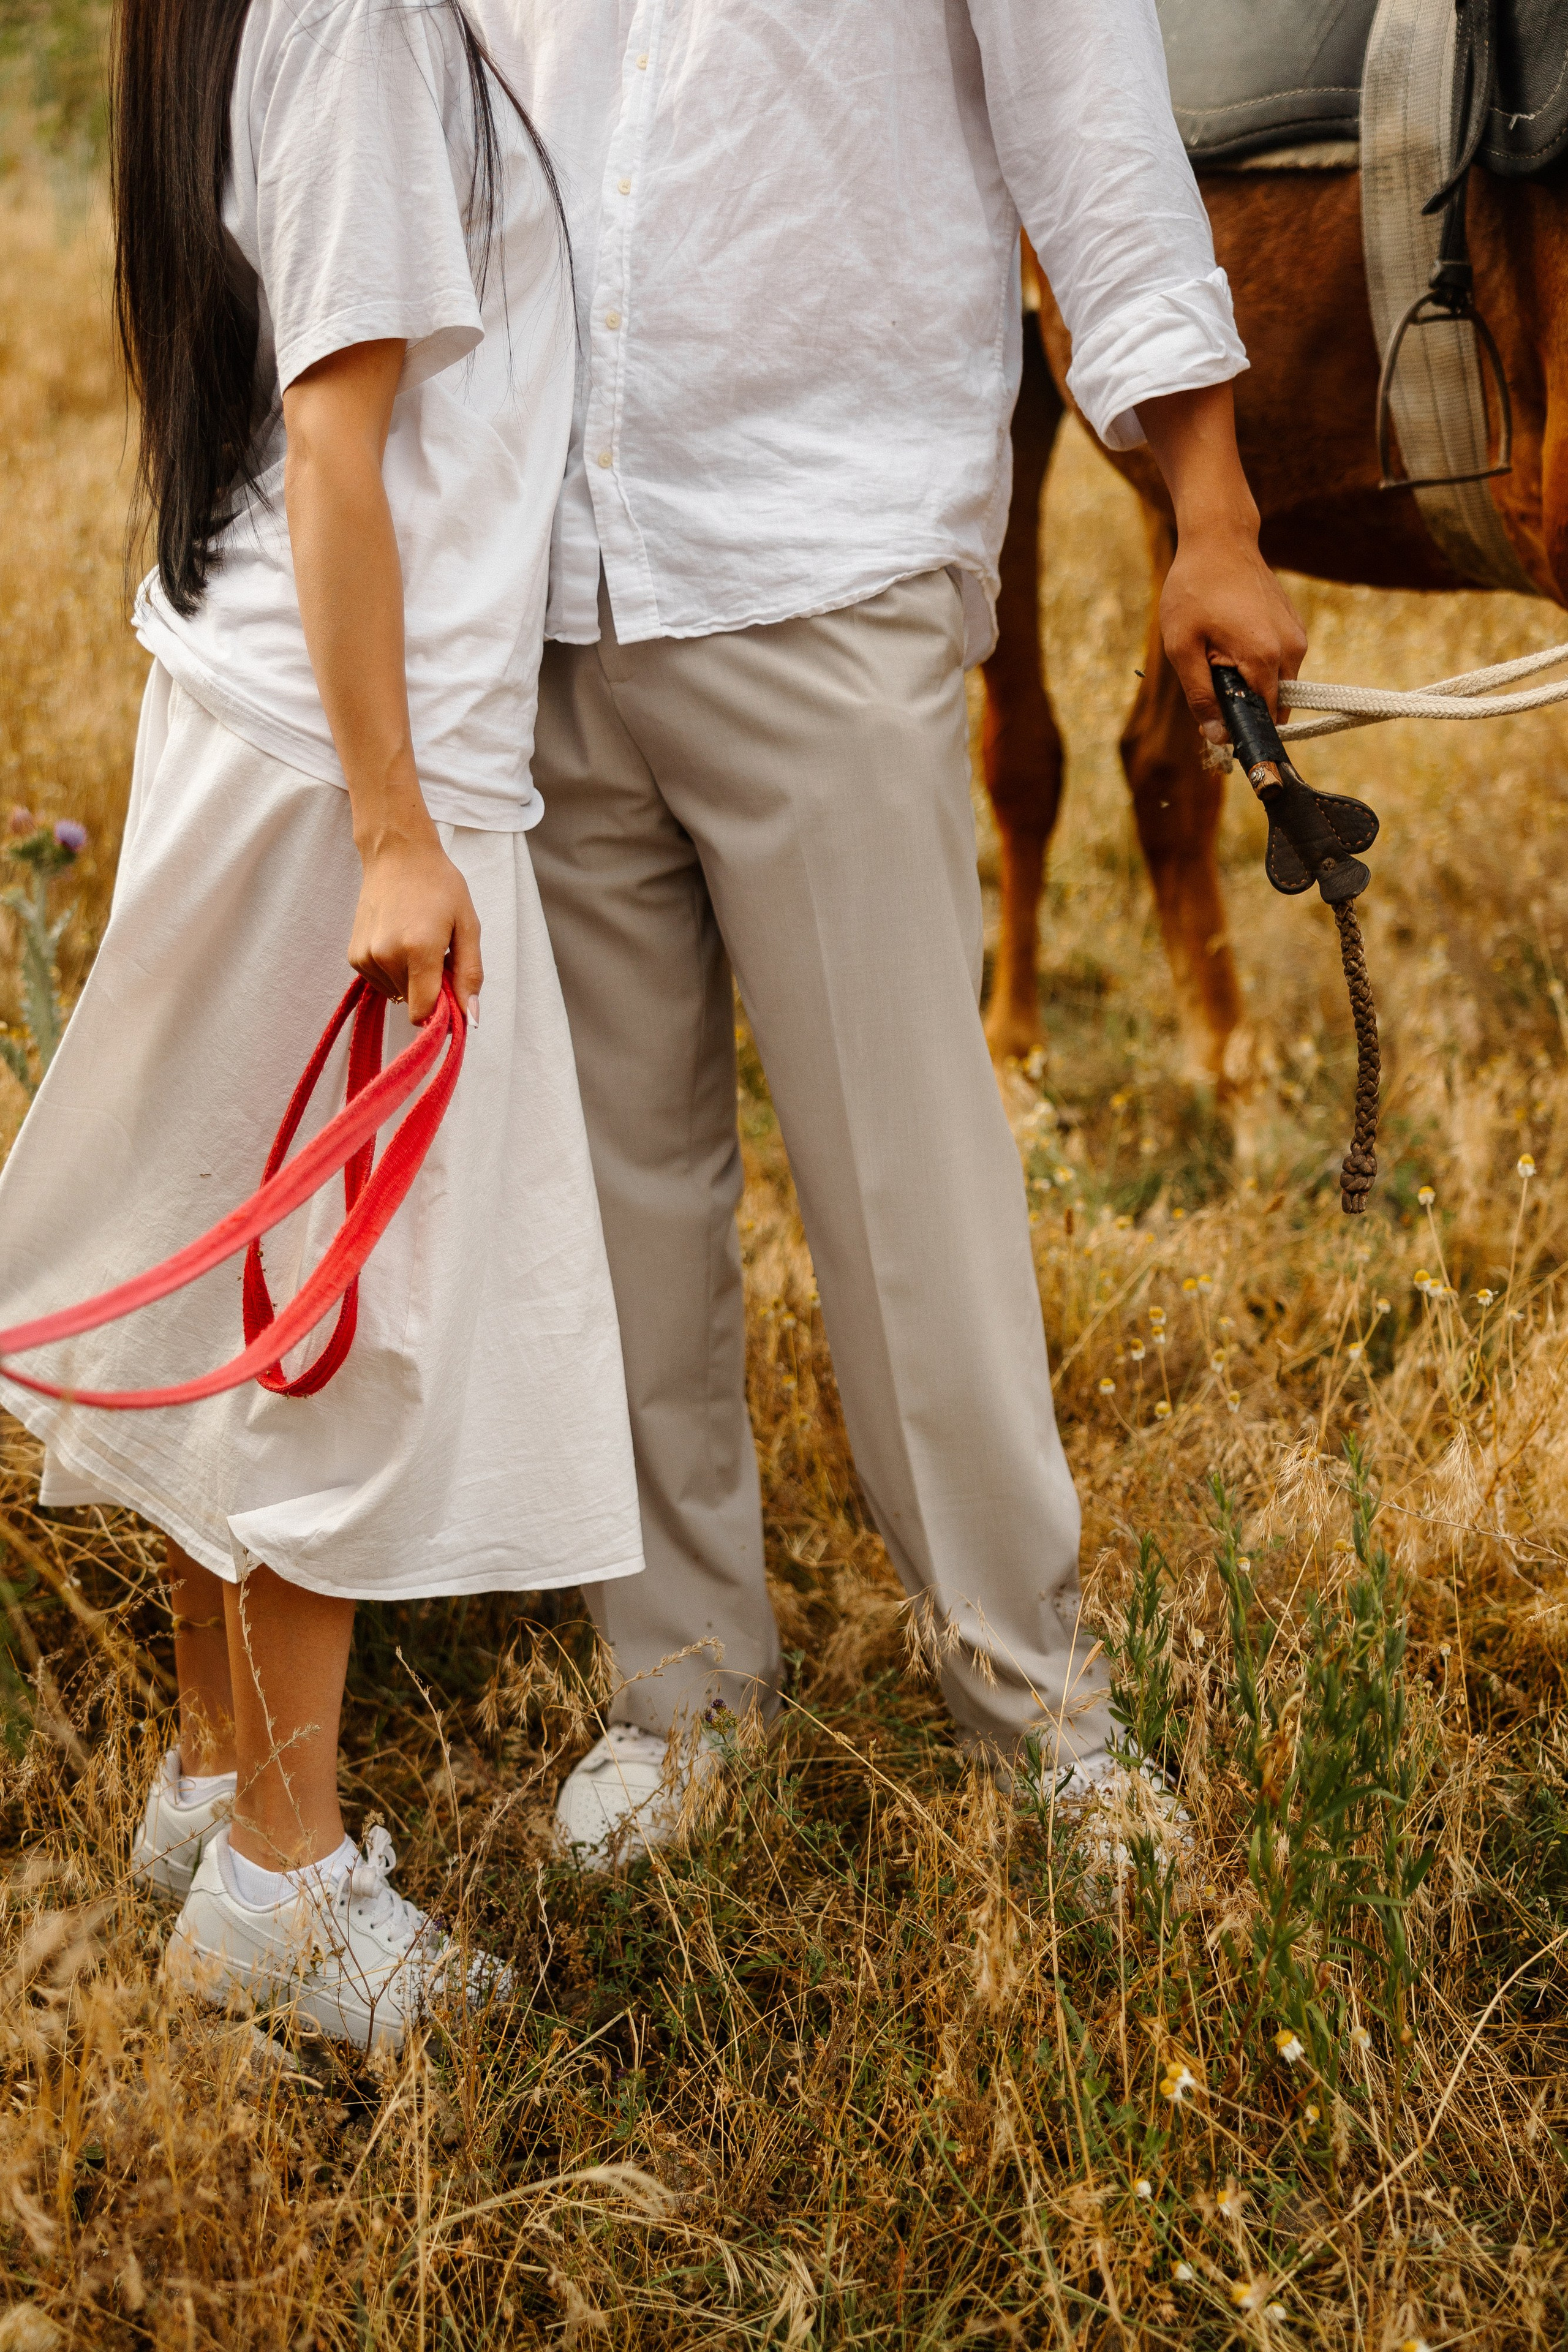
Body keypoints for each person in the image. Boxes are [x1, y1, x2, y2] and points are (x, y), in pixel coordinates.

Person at [473, 0, 1308, 1864]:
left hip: (823, 553)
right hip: (535, 579)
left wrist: (1212, 513)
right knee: (615, 1186)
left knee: (906, 1180)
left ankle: (1036, 1709)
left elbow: (1099, 148)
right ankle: (680, 1691)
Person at [0, 0, 644, 2047]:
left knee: (247, 1268)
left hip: (255, 709)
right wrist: (397, 831)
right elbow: (341, 448)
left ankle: (218, 1777)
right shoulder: (363, 25)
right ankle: (284, 1881)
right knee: (341, 1319)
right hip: (350, 758)